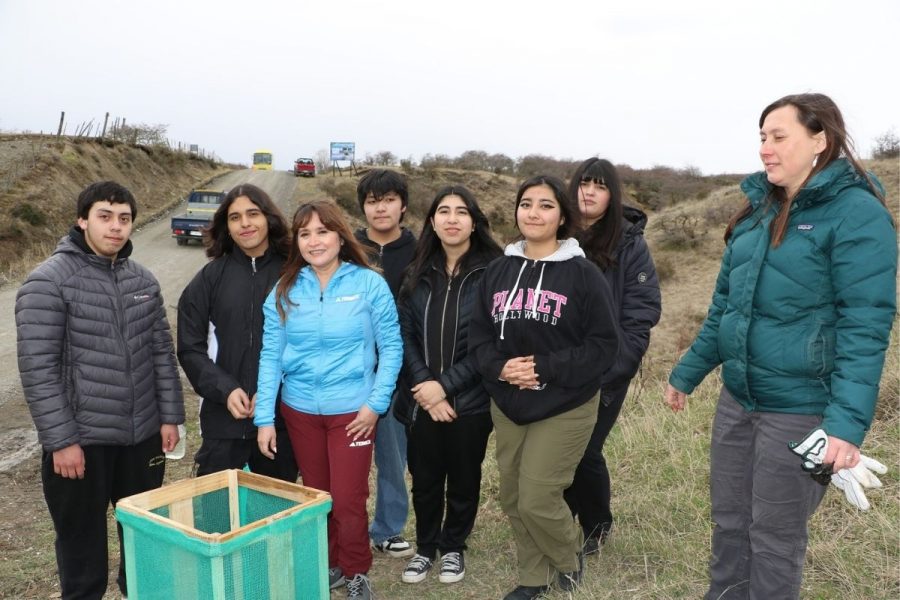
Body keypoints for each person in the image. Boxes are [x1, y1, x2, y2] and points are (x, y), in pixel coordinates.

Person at [664, 93, 897, 599]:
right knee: (729, 522)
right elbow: (726, 309)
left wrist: (845, 425)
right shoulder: (755, 213)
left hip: (800, 408)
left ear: (820, 140)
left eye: (778, 136)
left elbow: (865, 323)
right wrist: (687, 373)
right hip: (739, 399)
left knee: (774, 536)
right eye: (762, 138)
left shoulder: (857, 213)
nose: (766, 149)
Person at [15, 180, 184, 599]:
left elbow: (161, 353)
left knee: (143, 538)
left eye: (124, 219)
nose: (116, 228)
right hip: (81, 445)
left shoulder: (142, 279)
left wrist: (170, 416)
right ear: (82, 220)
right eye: (105, 217)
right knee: (82, 547)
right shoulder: (48, 282)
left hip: (141, 438)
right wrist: (62, 441)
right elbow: (39, 371)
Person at [469, 175, 620, 600]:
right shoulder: (498, 271)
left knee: (538, 496)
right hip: (509, 402)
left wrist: (543, 367)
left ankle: (569, 557)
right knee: (514, 496)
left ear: (562, 217)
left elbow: (605, 346)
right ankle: (533, 575)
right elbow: (477, 338)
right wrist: (501, 369)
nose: (533, 213)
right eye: (526, 204)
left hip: (565, 402)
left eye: (546, 205)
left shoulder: (584, 275)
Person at [255, 200, 403, 600]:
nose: (314, 241)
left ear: (341, 235)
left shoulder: (369, 284)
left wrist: (375, 404)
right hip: (300, 410)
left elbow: (391, 347)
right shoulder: (285, 289)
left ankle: (356, 570)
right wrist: (264, 418)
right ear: (297, 242)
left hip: (353, 413)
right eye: (305, 233)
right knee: (319, 495)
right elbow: (270, 355)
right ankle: (331, 563)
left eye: (323, 231)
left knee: (349, 498)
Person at [394, 186, 503, 585]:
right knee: (424, 479)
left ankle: (453, 547)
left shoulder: (495, 270)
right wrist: (424, 384)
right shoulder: (417, 269)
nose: (452, 218)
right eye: (443, 211)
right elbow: (402, 333)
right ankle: (425, 548)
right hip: (421, 400)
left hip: (470, 401)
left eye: (461, 212)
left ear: (474, 221)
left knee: (463, 477)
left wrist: (446, 386)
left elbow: (493, 341)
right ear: (432, 221)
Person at [563, 158, 661, 553]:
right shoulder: (554, 233)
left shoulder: (628, 244)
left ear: (612, 195)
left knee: (585, 450)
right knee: (556, 450)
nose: (589, 192)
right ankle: (557, 523)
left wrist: (614, 369)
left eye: (600, 186)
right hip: (556, 368)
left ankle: (596, 526)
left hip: (605, 372)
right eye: (583, 183)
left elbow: (641, 314)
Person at [177, 184, 298, 481]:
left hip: (280, 423)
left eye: (253, 214)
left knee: (274, 519)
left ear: (269, 219)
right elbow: (190, 348)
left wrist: (273, 393)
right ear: (226, 227)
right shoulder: (208, 278)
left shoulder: (294, 274)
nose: (245, 223)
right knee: (217, 521)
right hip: (223, 423)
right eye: (234, 217)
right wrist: (225, 389)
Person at [353, 168, 417, 559]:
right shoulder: (348, 248)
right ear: (363, 206)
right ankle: (343, 526)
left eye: (389, 200)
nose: (381, 208)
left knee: (394, 457)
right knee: (350, 457)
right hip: (350, 372)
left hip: (401, 373)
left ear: (403, 205)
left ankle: (388, 527)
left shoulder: (421, 249)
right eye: (373, 201)